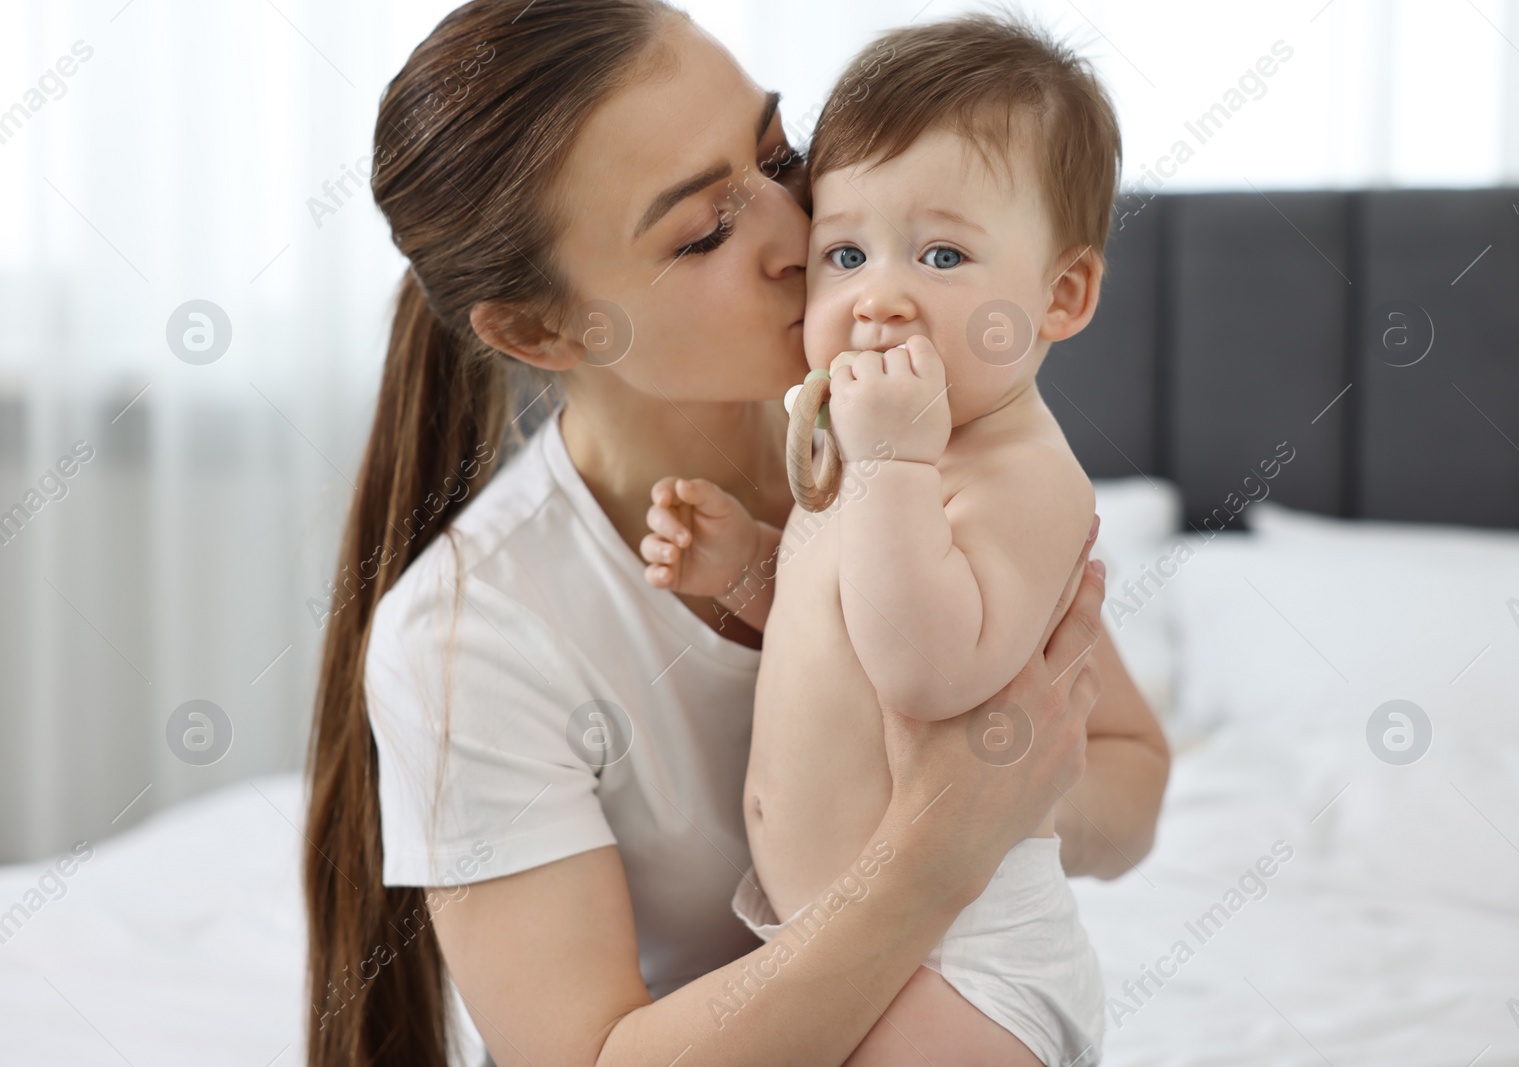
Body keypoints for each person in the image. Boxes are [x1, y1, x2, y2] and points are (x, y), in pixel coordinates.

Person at [300, 2, 1170, 1065]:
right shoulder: (468, 630)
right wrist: (934, 846)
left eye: (777, 154)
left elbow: (1128, 775)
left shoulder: (906, 429)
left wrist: (1011, 802)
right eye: (704, 230)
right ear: (542, 328)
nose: (790, 233)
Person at [637, 14, 1118, 1065]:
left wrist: (893, 465)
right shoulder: (874, 453)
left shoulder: (1022, 476)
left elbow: (926, 668)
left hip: (965, 957)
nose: (878, 298)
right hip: (850, 936)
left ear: (1060, 294)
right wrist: (752, 569)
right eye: (843, 252)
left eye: (941, 253)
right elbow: (853, 619)